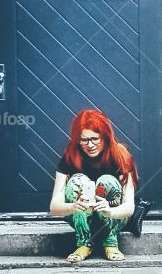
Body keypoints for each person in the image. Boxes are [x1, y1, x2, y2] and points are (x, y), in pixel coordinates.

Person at [49, 110, 137, 264]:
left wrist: (110, 211)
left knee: (107, 181)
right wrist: (73, 206)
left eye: (95, 139)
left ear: (105, 137)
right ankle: (83, 243)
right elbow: (54, 207)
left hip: (114, 217)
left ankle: (110, 241)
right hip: (80, 217)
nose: (90, 145)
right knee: (77, 180)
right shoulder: (70, 156)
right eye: (84, 140)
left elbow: (129, 207)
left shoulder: (120, 156)